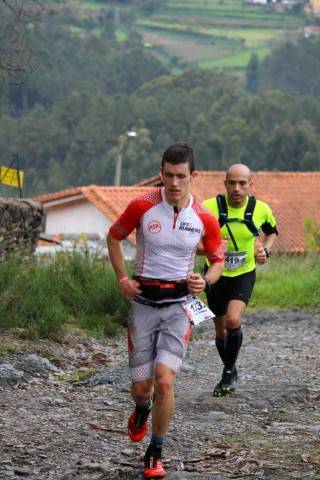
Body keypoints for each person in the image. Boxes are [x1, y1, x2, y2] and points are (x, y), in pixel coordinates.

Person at [107, 142, 224, 479]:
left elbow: (217, 259)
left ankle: (156, 451)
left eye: (181, 176)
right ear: (161, 173)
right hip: (143, 304)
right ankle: (141, 409)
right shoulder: (142, 205)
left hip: (178, 307)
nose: (174, 183)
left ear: (193, 176)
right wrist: (122, 278)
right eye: (169, 175)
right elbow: (113, 237)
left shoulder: (203, 217)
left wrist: (206, 281)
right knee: (142, 389)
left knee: (165, 382)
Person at [203, 163, 278, 397]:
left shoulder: (260, 209)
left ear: (250, 185)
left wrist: (265, 251)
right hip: (215, 274)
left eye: (242, 183)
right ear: (224, 184)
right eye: (232, 183)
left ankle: (227, 372)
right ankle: (231, 367)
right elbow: (193, 240)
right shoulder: (208, 208)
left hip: (243, 274)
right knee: (221, 331)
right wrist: (211, 247)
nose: (237, 188)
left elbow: (272, 231)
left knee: (233, 319)